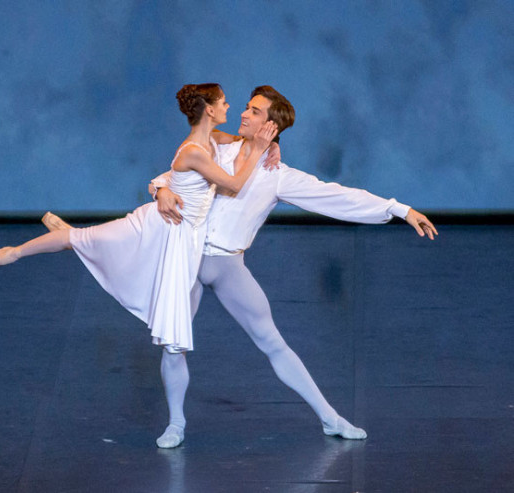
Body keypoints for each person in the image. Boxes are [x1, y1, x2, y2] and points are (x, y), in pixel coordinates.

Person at [44, 85, 437, 449]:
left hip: (228, 265)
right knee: (173, 343)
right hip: (185, 257)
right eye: (246, 107)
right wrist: (160, 188)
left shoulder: (278, 176)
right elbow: (175, 172)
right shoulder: (218, 147)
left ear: (270, 126)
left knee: (272, 341)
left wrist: (399, 209)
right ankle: (176, 422)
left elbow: (338, 197)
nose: (244, 114)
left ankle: (330, 417)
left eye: (254, 111)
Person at [0, 83, 277, 356]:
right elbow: (234, 185)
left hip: (181, 234)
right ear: (209, 110)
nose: (229, 107)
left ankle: (76, 241)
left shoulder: (214, 138)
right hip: (157, 225)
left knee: (112, 255)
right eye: (223, 102)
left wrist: (270, 146)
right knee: (81, 239)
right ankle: (13, 252)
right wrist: (259, 150)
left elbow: (243, 140)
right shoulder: (193, 152)